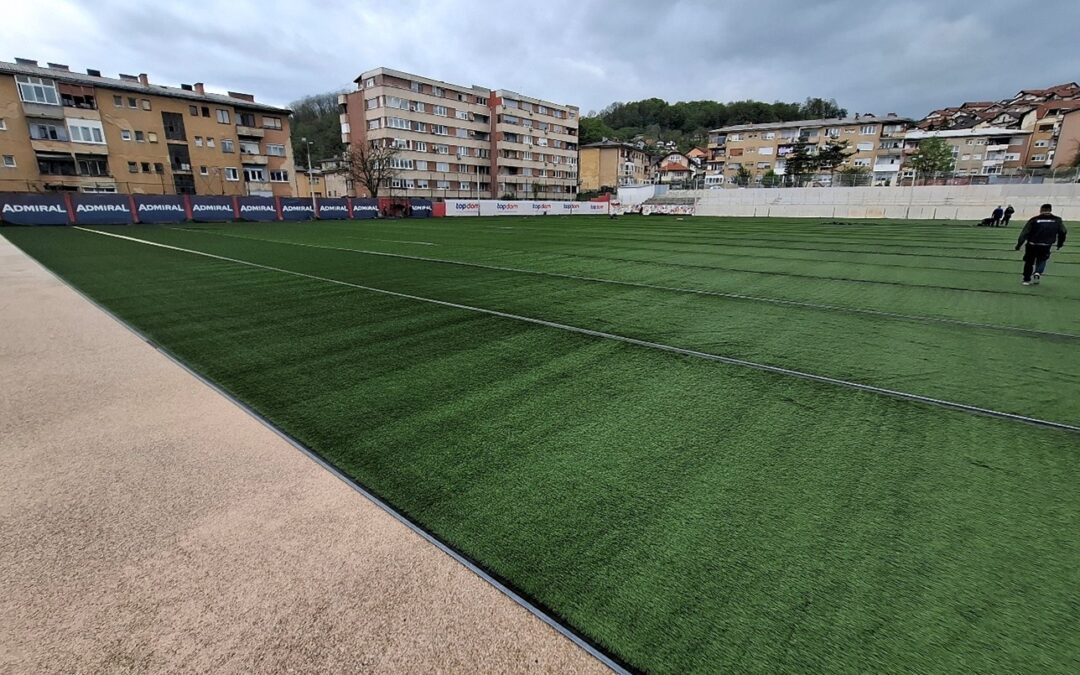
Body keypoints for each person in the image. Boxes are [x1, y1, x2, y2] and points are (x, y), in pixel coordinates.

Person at [1015, 203, 1067, 285]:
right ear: (1050, 210)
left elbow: (1024, 233)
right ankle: (1038, 272)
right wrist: (1060, 244)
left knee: (1029, 262)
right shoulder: (1057, 220)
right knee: (1042, 259)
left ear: (1041, 210)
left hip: (1032, 244)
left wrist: (1019, 245)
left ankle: (1026, 280)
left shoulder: (1034, 219)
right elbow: (1063, 232)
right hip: (1046, 245)